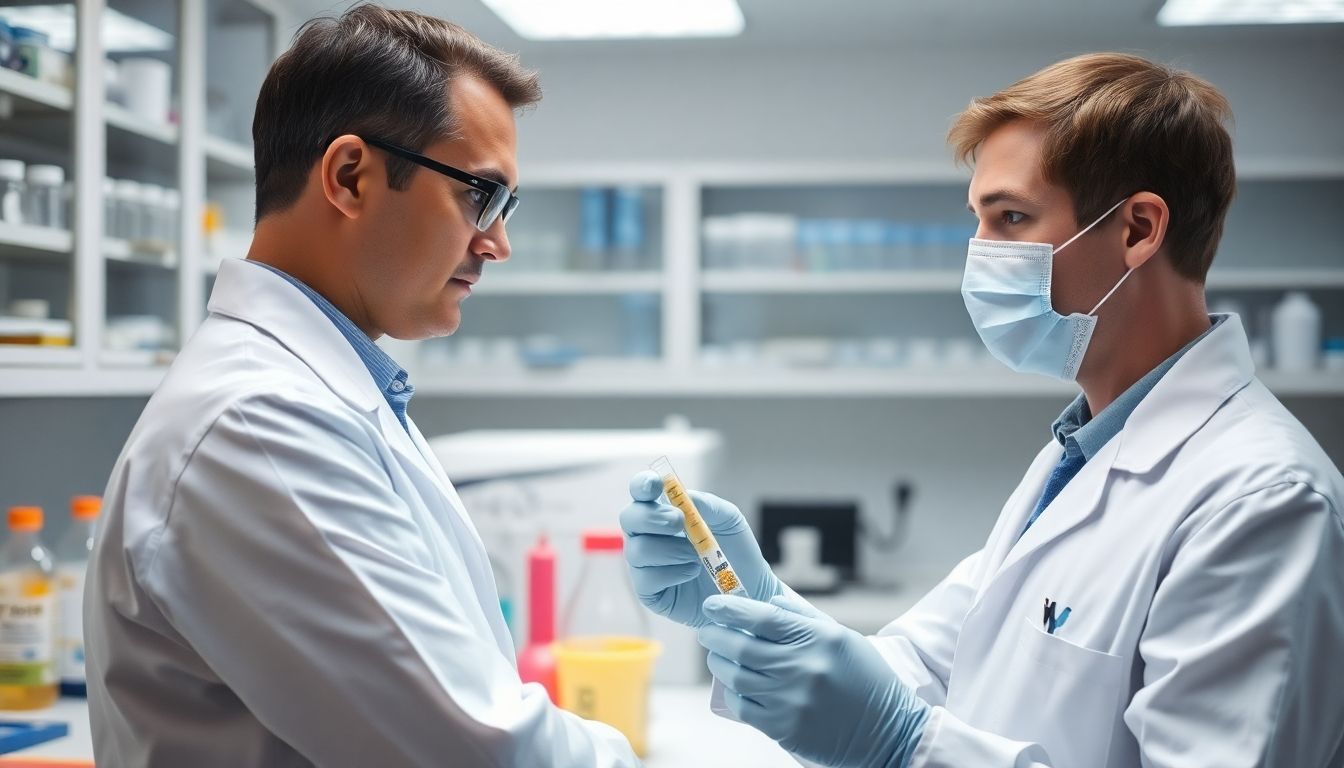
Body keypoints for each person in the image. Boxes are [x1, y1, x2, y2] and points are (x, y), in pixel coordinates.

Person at [621, 53, 1344, 767]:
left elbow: (895, 721)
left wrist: (901, 746)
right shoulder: (1080, 454)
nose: (978, 255)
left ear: (1137, 230)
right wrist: (755, 602)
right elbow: (923, 670)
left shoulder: (1264, 502)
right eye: (978, 221)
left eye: (1011, 218)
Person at [85, 6, 638, 766]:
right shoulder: (259, 423)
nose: (498, 243)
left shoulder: (325, 392)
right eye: (481, 194)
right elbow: (481, 752)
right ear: (350, 177)